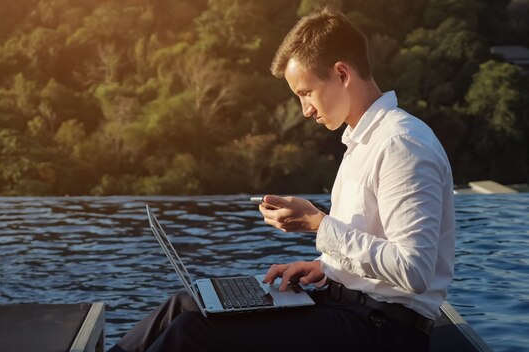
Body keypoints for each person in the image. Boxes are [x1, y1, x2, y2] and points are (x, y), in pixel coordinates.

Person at [109, 6, 455, 352]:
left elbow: (414, 270)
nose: (305, 109)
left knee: (194, 331)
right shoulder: (362, 142)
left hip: (383, 332)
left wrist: (319, 225)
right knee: (186, 304)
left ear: (341, 74)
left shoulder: (401, 144)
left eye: (306, 92)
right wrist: (326, 268)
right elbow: (372, 244)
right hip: (349, 309)